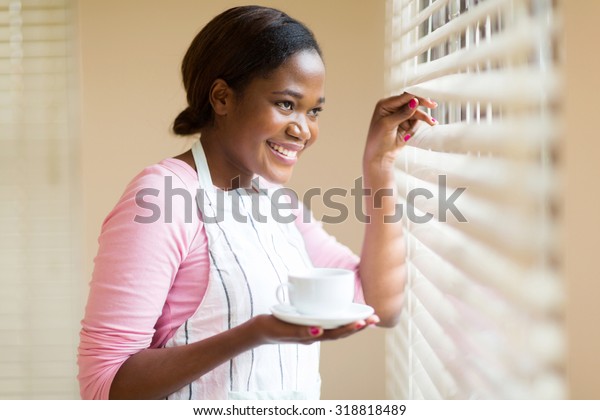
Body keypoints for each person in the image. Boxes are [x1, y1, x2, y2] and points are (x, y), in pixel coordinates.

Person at [77, 5, 437, 400]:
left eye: (313, 111)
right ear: (222, 98)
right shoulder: (163, 196)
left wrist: (379, 164)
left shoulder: (274, 201)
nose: (303, 129)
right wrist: (256, 332)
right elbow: (105, 387)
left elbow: (378, 304)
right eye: (286, 104)